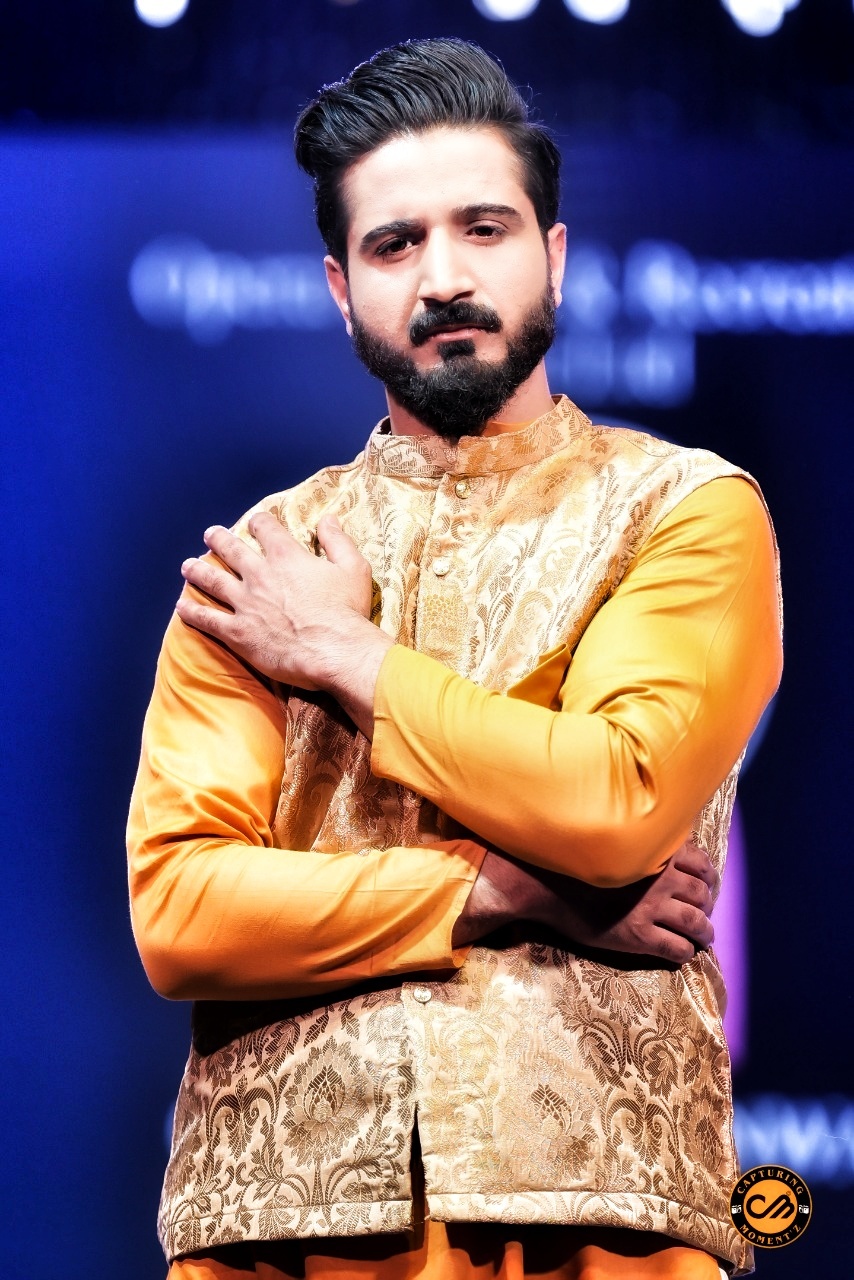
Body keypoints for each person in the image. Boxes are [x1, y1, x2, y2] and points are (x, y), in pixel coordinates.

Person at [127, 37, 782, 1280]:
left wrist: (342, 650)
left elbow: (615, 801)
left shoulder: (681, 509)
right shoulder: (260, 561)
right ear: (338, 287)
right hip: (274, 1236)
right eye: (394, 244)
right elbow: (182, 909)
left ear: (553, 254)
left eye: (483, 228)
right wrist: (491, 891)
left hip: (600, 1226)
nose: (443, 277)